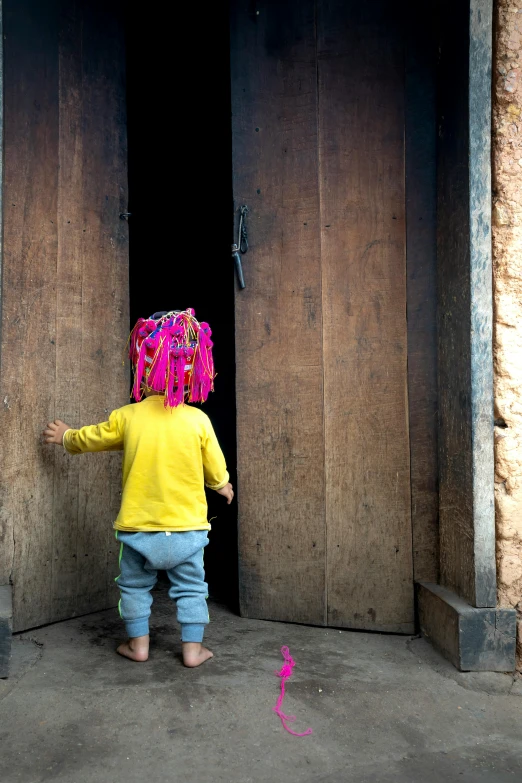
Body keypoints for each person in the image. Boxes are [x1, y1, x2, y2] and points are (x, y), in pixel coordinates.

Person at [43, 309, 233, 668]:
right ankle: (192, 651)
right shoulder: (198, 421)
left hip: (138, 531)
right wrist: (222, 486)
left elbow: (93, 437)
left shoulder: (128, 417)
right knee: (192, 589)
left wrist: (65, 436)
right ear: (192, 371)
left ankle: (138, 646)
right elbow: (215, 466)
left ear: (142, 368)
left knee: (133, 586)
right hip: (187, 531)